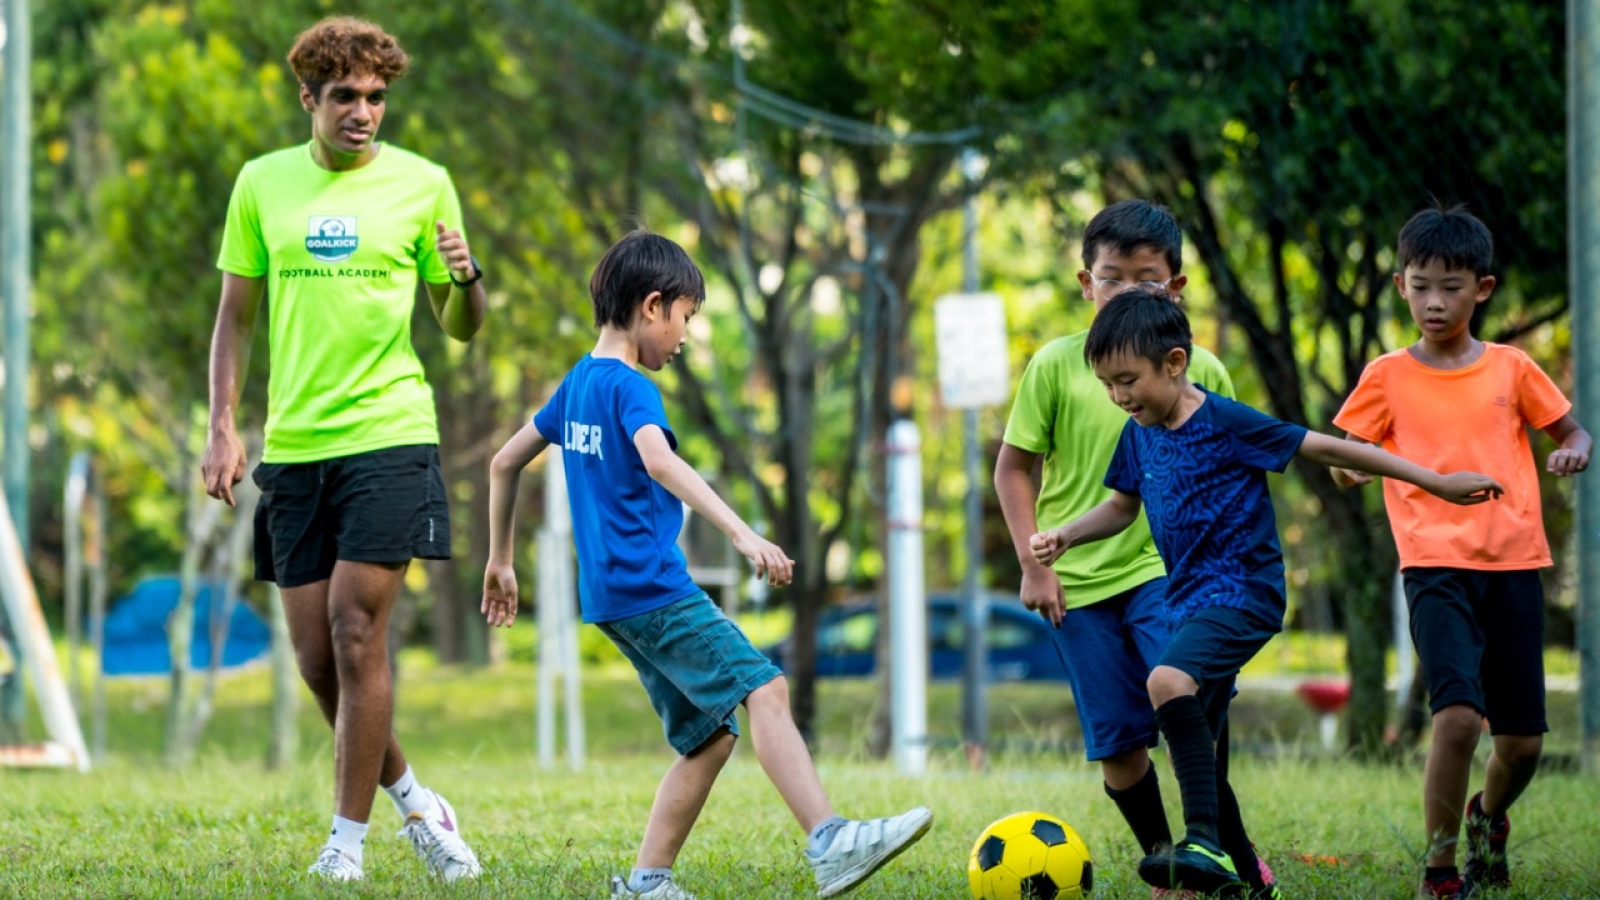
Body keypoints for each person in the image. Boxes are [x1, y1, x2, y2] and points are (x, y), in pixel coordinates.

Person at [481, 230, 932, 900]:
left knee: (709, 738)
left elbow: (502, 462)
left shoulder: (576, 384)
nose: (685, 337)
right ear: (653, 306)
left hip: (609, 596)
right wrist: (747, 535)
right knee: (766, 689)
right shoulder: (630, 387)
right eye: (686, 319)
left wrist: (500, 559)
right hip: (653, 588)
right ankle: (830, 841)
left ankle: (646, 882)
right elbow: (659, 460)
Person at [1029, 289, 1502, 896]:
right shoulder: (1138, 432)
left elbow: (1322, 445)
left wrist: (1435, 482)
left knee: (1167, 684)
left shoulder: (1225, 420)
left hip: (1243, 594)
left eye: (1128, 380)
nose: (1119, 397)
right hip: (1189, 602)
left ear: (1175, 362)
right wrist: (1066, 533)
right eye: (1107, 385)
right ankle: (1250, 882)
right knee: (1204, 756)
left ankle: (1199, 844)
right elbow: (1123, 506)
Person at [200, 16, 486, 883]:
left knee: (357, 631)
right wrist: (222, 423)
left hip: (391, 432)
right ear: (309, 99)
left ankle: (345, 846)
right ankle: (416, 802)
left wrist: (468, 280)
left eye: (376, 98)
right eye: (346, 97)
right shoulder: (262, 185)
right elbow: (235, 319)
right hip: (295, 445)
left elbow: (460, 328)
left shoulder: (425, 184)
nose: (364, 112)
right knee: (317, 659)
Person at [994, 199, 1280, 900]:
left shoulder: (1201, 367)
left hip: (1171, 577)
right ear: (1086, 284)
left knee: (1188, 711)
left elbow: (1235, 472)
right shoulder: (1060, 366)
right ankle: (1165, 857)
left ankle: (1219, 855)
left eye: (1145, 279)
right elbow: (1013, 468)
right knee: (1120, 746)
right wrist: (1035, 565)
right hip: (1078, 585)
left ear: (1175, 288)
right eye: (1111, 278)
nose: (1126, 292)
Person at [1331, 205, 1591, 900]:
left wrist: (1572, 452)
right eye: (1420, 286)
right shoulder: (1386, 375)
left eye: (1450, 285)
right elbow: (1345, 458)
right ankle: (1440, 874)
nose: (1434, 301)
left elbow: (1573, 432)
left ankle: (1487, 816)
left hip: (1513, 568)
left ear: (1483, 287)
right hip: (1434, 567)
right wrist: (1355, 467)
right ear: (1399, 286)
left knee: (1522, 745)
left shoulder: (1512, 368)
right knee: (1455, 718)